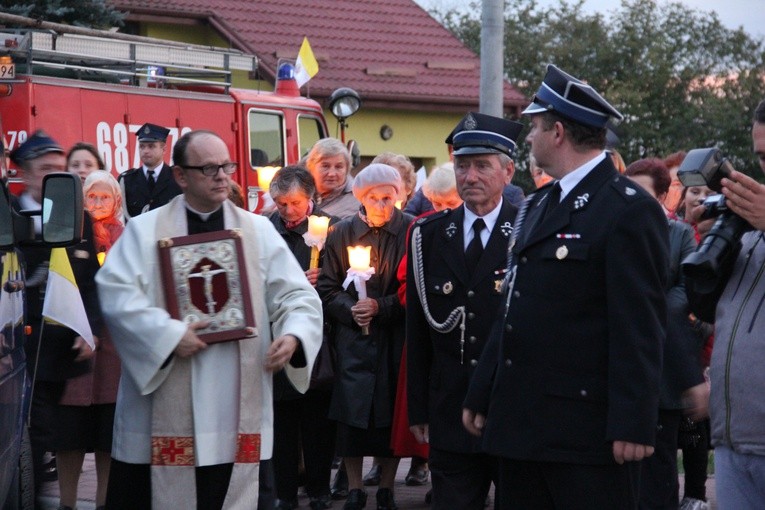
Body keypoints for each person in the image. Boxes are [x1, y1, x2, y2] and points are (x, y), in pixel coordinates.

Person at [462, 64, 669, 509]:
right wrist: (484, 389)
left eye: (535, 126)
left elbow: (640, 324)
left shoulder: (626, 209)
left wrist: (634, 422)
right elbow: (513, 304)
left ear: (558, 132)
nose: (530, 137)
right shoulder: (538, 202)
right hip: (522, 424)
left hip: (585, 432)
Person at [95, 129, 323, 509]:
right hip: (161, 408)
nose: (223, 176)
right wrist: (166, 335)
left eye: (226, 166)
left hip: (238, 402)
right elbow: (116, 294)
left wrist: (294, 334)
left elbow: (296, 295)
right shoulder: (145, 230)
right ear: (180, 176)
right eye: (209, 168)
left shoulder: (258, 231)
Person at [406, 112, 522, 509]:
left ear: (508, 172)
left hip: (512, 408)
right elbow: (419, 329)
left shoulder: (529, 233)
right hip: (450, 407)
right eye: (462, 165)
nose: (469, 176)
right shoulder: (429, 234)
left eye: (482, 166)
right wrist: (418, 407)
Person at [317, 163, 413, 510]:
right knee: (352, 419)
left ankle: (387, 486)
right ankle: (355, 488)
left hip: (393, 338)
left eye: (389, 198)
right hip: (354, 341)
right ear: (362, 198)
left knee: (390, 417)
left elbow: (415, 290)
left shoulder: (410, 231)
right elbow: (328, 287)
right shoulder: (342, 232)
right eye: (375, 198)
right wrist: (351, 308)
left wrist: (381, 306)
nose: (382, 205)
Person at [9, 131, 98, 505]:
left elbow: (91, 279)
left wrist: (88, 327)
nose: (55, 177)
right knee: (35, 429)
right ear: (27, 175)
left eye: (59, 170)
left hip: (63, 343)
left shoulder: (78, 218)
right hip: (22, 342)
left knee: (61, 433)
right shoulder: (10, 215)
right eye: (46, 169)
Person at [685, 98, 765, 510]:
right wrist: (712, 243)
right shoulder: (750, 225)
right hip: (735, 441)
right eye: (762, 156)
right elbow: (705, 308)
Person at [625, 158, 709, 510]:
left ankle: (695, 493)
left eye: (641, 193)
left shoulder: (679, 236)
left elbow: (684, 293)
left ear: (662, 196)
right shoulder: (617, 233)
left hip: (667, 369)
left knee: (666, 461)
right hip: (623, 373)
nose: (631, 199)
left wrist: (640, 307)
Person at [268, 165, 337, 510]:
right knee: (282, 418)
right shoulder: (266, 229)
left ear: (310, 198)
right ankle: (284, 492)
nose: (288, 211)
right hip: (278, 331)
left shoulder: (331, 228)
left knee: (316, 419)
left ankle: (319, 487)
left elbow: (345, 278)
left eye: (294, 202)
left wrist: (323, 276)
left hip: (319, 336)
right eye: (281, 204)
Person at [55, 171, 124, 510]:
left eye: (105, 198)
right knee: (69, 436)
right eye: (91, 198)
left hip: (113, 350)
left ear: (117, 201)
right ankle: (67, 503)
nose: (98, 204)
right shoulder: (70, 235)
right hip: (76, 343)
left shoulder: (126, 238)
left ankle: (103, 503)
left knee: (108, 439)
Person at [118, 122, 181, 220]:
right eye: (142, 146)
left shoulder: (177, 178)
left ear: (164, 149)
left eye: (151, 146)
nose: (145, 151)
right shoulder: (126, 181)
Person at [306, 138, 360, 219]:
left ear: (347, 169)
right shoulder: (298, 192)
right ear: (311, 166)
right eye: (325, 166)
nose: (331, 174)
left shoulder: (358, 201)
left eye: (338, 167)